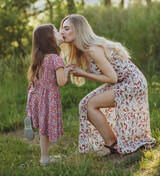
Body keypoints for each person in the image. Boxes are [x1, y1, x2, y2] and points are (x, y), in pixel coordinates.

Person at [60, 14, 155, 157]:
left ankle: (111, 144)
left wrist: (83, 74)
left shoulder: (93, 49)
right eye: (61, 28)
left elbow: (112, 78)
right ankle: (113, 142)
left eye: (66, 28)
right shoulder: (82, 51)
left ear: (78, 30)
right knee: (84, 104)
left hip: (132, 83)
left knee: (89, 104)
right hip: (122, 81)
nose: (62, 32)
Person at [24, 24, 70, 165]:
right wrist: (67, 71)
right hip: (49, 99)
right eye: (56, 31)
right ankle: (44, 158)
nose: (60, 32)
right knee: (47, 128)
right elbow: (61, 82)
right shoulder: (55, 59)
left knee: (43, 130)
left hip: (37, 98)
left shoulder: (40, 58)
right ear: (49, 38)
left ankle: (44, 157)